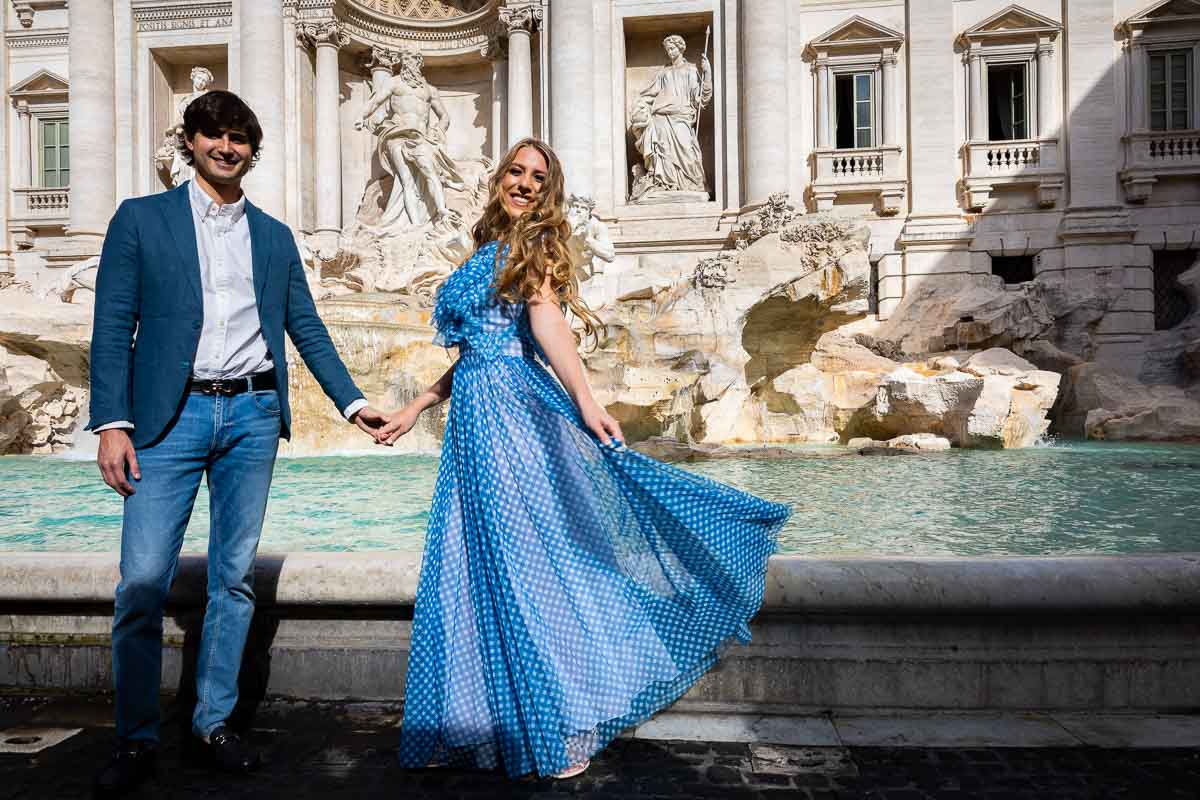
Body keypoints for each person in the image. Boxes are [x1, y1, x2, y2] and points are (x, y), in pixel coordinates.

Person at [378, 138, 790, 779]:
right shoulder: (486, 248)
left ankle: (561, 721)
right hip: (474, 419)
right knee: (481, 557)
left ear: (548, 191)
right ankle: (495, 714)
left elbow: (548, 327)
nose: (523, 183)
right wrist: (415, 408)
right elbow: (474, 353)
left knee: (526, 559)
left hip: (513, 411)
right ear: (498, 180)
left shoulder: (534, 246)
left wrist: (587, 400)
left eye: (537, 178)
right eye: (515, 171)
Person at [88, 90, 391, 798]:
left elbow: (305, 328)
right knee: (140, 583)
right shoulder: (140, 220)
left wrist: (355, 403)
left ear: (252, 149)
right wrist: (111, 423)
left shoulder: (275, 236)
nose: (227, 147)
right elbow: (111, 327)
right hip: (169, 417)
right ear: (190, 141)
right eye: (214, 135)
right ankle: (135, 741)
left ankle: (212, 725)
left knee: (232, 580)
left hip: (253, 415)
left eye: (239, 138)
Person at [629, 34, 713, 202]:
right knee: (663, 153)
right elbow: (649, 94)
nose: (670, 52)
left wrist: (708, 73)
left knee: (688, 151)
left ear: (681, 48)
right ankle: (663, 184)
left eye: (673, 48)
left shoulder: (690, 70)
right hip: (660, 118)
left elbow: (701, 99)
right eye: (667, 49)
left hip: (681, 117)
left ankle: (691, 184)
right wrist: (640, 107)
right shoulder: (664, 73)